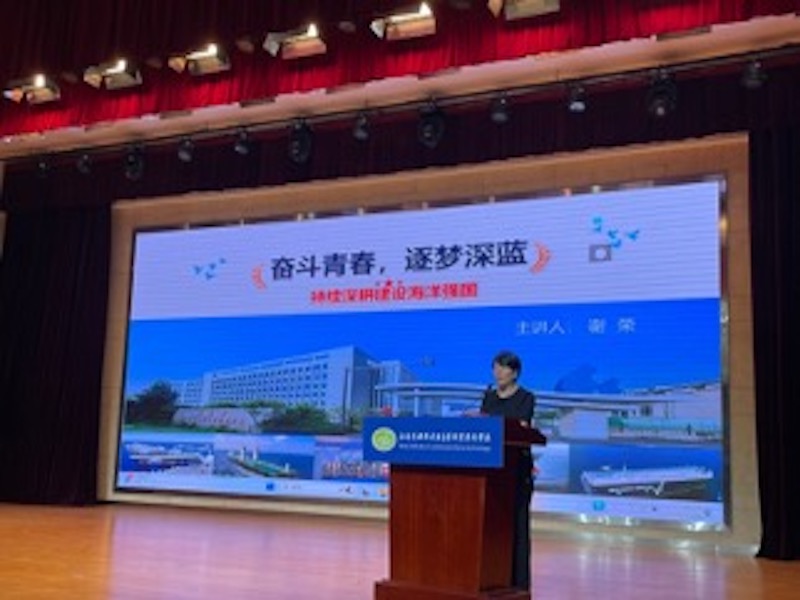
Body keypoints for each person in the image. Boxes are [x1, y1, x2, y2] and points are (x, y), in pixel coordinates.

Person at [480, 350, 536, 591]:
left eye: (503, 368)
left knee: (518, 525)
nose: (498, 372)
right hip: (490, 470)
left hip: (516, 470)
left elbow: (520, 428)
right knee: (490, 526)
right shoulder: (488, 397)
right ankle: (491, 577)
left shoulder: (526, 398)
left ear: (515, 372)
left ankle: (519, 583)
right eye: (495, 367)